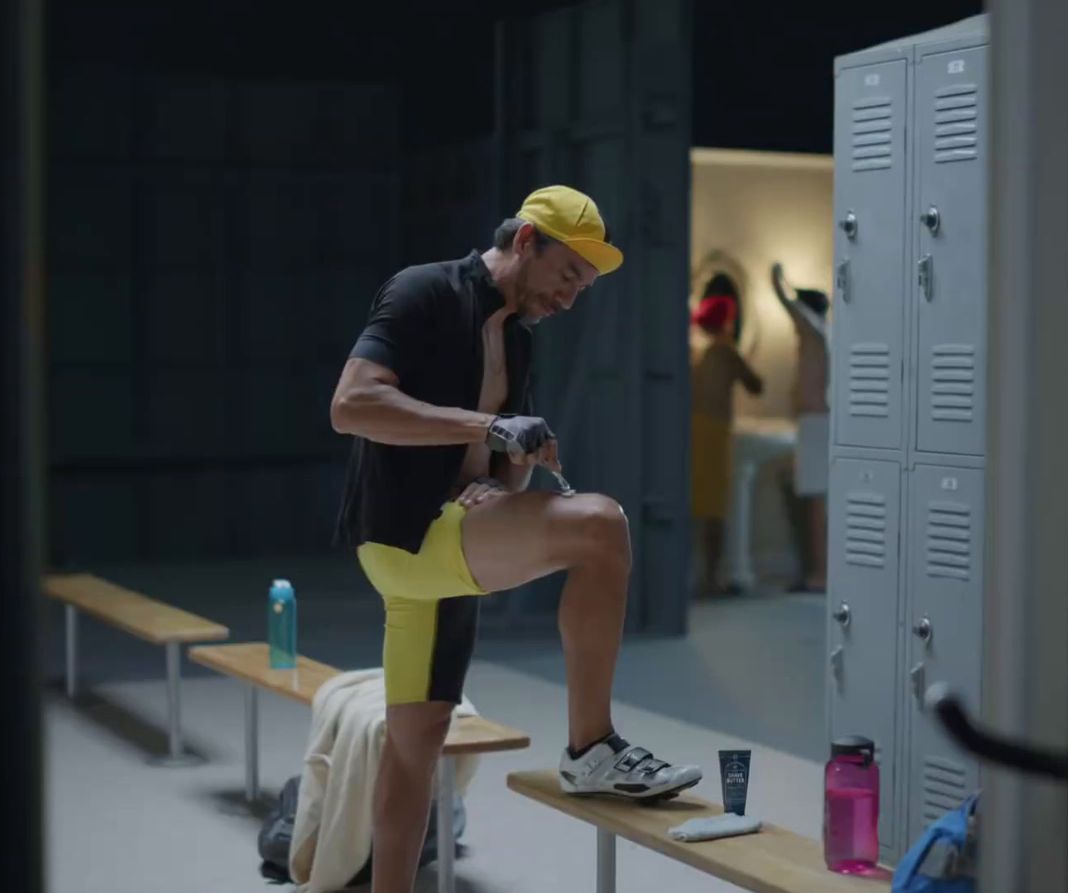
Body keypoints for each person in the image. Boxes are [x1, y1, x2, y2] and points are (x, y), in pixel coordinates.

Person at [329, 185, 703, 893]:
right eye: (567, 276)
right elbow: (350, 405)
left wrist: (512, 468)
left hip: (446, 553)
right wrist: (486, 426)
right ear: (526, 241)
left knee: (414, 753)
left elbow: (506, 480)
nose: (570, 298)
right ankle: (591, 746)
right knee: (602, 524)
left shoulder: (518, 341)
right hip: (405, 537)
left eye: (584, 289)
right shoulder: (424, 292)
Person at [688, 284, 764, 595]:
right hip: (715, 431)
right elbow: (757, 385)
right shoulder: (727, 350)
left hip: (696, 428)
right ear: (729, 320)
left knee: (699, 502)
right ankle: (711, 577)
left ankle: (702, 575)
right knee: (714, 508)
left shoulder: (705, 353)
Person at [771, 263, 829, 593]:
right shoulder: (820, 333)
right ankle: (818, 570)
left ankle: (819, 574)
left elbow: (788, 303)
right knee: (814, 502)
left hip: (814, 425)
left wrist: (778, 277)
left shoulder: (811, 329)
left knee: (816, 503)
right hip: (816, 424)